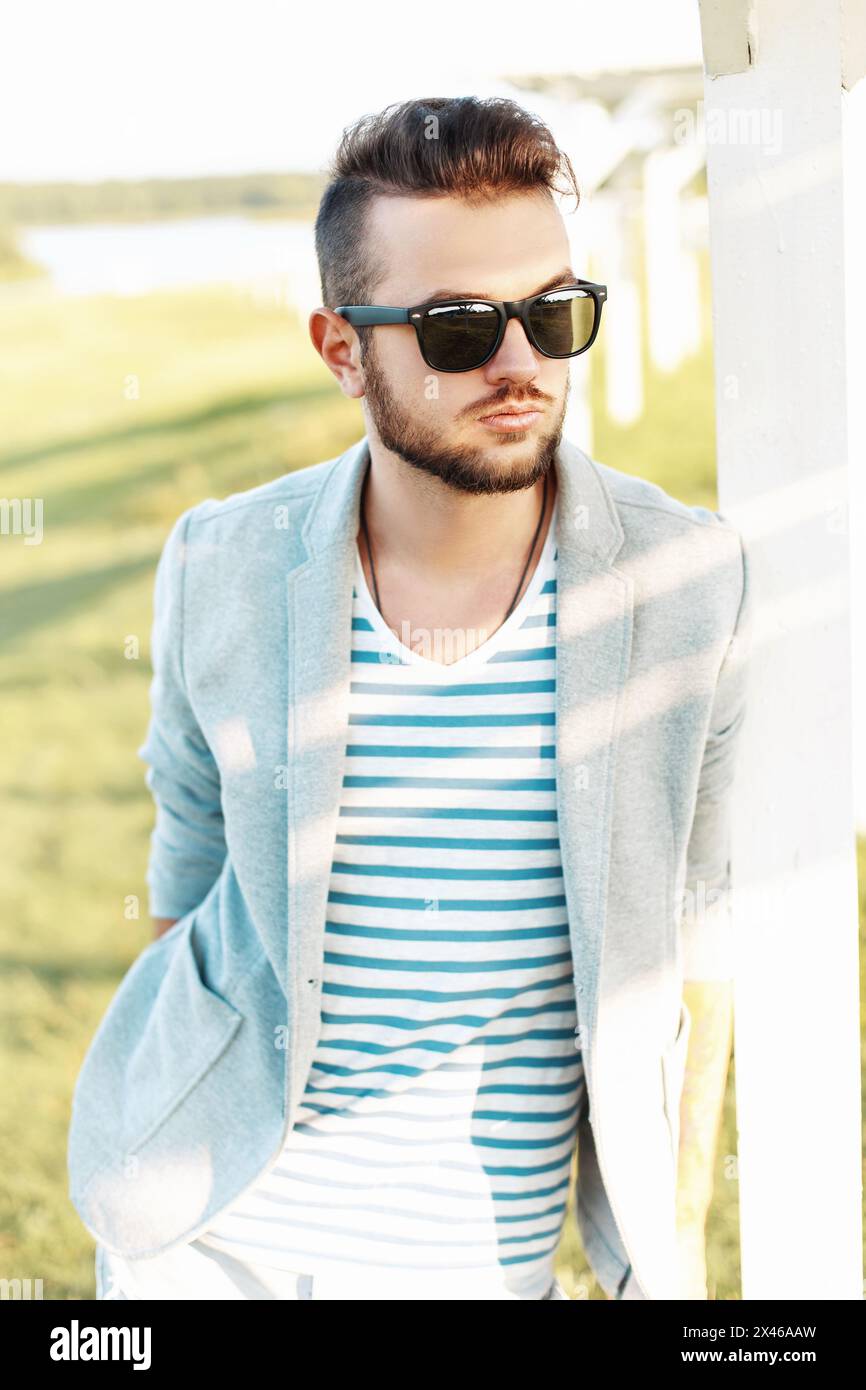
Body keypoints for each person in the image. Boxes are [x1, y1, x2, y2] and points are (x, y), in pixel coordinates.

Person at [68, 95, 752, 1302]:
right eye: (453, 329)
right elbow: (187, 858)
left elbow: (696, 931)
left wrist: (670, 1241)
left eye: (551, 314)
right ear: (342, 350)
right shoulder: (221, 562)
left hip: (473, 1263)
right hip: (202, 1244)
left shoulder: (684, 585)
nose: (517, 366)